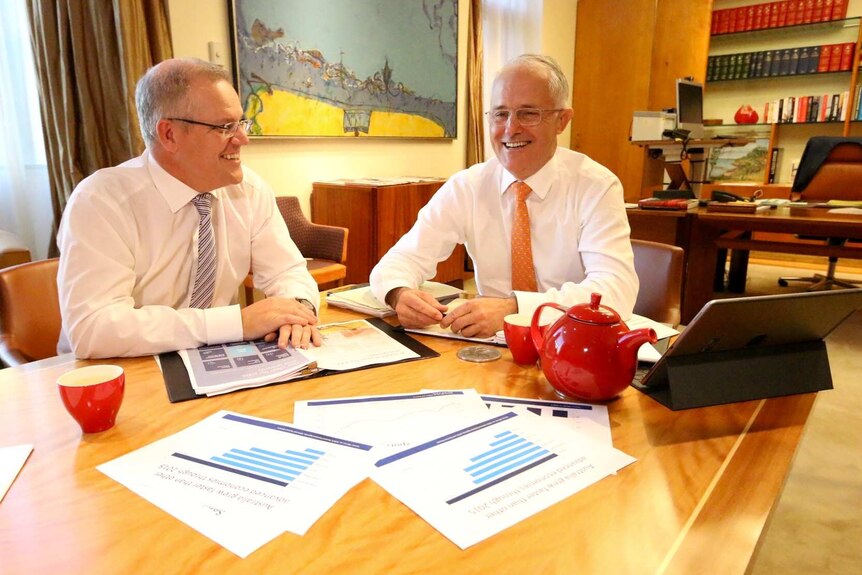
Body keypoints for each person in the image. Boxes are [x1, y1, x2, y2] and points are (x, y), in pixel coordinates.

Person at [57, 58, 322, 359]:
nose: (243, 139)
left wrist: (299, 310)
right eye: (225, 127)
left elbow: (286, 270)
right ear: (169, 134)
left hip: (217, 363)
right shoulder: (101, 201)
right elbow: (93, 329)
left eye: (241, 123)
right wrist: (235, 323)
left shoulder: (249, 190)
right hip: (117, 373)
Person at [370, 54, 638, 338]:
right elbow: (400, 259)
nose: (511, 128)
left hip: (571, 343)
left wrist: (516, 309)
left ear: (562, 120)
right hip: (489, 349)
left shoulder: (596, 186)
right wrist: (399, 293)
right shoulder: (468, 186)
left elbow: (616, 290)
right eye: (501, 114)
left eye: (528, 113)